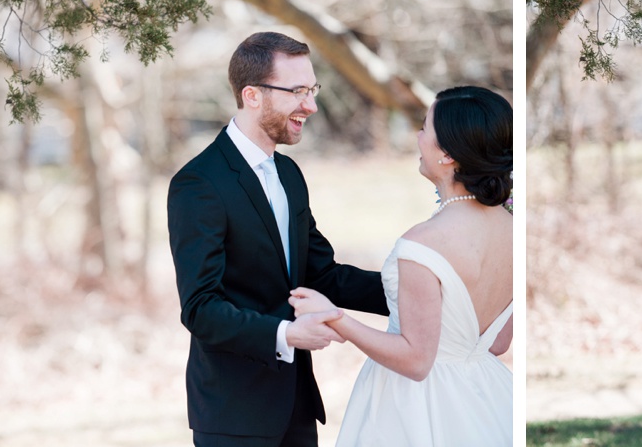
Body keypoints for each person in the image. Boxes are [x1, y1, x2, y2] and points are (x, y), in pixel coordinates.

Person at [166, 32, 390, 447]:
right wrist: (285, 335)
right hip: (234, 414)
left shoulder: (289, 175)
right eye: (298, 91)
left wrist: (413, 287)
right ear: (252, 95)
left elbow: (322, 275)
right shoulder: (198, 184)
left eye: (313, 89)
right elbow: (200, 308)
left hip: (297, 408)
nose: (312, 105)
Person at [289, 86, 514, 446]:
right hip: (485, 401)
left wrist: (335, 318)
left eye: (425, 127)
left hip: (414, 409)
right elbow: (498, 342)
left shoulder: (423, 242)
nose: (418, 136)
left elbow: (415, 362)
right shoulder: (512, 227)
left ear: (448, 155)